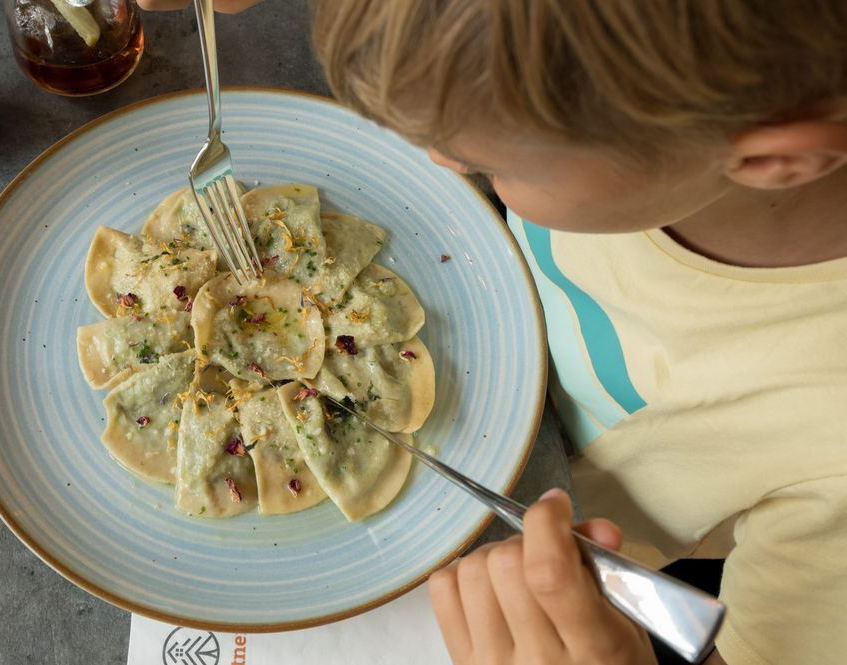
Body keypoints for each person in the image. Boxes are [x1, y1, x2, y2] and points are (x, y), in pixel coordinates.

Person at [138, 1, 847, 663]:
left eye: (492, 164)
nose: (437, 161)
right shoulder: (661, 122)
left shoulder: (829, 445)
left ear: (772, 162)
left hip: (564, 562)